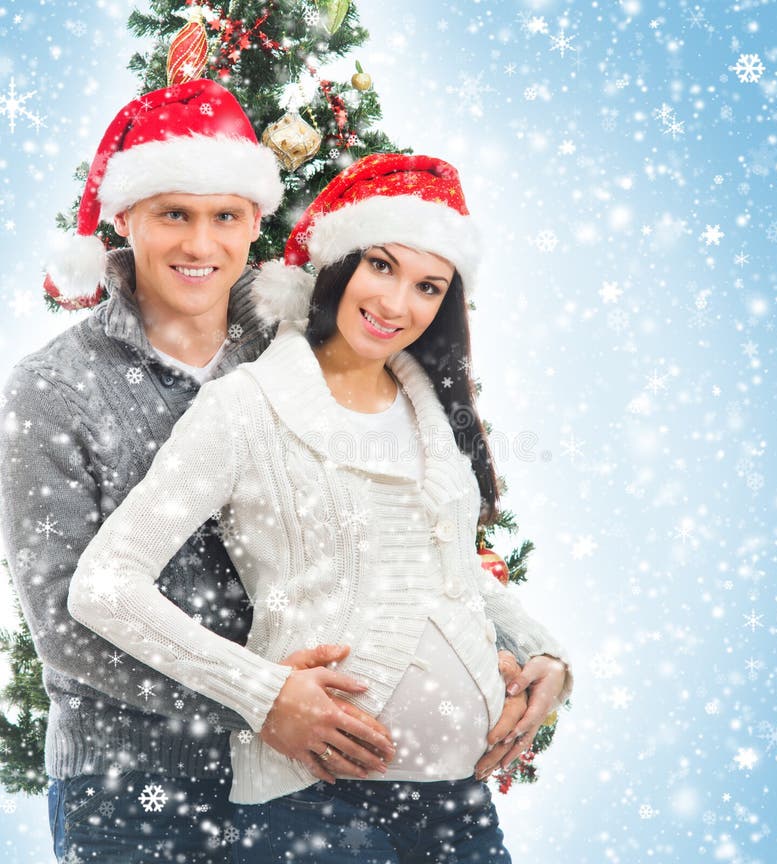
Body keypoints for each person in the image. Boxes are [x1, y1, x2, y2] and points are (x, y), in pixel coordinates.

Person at [67, 153, 573, 862]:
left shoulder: (432, 409)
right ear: (337, 265)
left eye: (429, 286)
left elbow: (442, 562)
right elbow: (104, 585)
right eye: (382, 267)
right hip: (314, 807)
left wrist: (541, 650)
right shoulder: (245, 410)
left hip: (459, 803)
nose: (398, 304)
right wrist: (262, 693)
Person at [0, 79, 394, 863]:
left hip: (312, 769)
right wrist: (261, 700)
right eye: (172, 213)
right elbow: (66, 623)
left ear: (256, 222)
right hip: (131, 783)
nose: (199, 244)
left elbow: (398, 523)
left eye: (224, 216)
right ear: (125, 219)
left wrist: (515, 649)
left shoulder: (306, 361)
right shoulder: (51, 390)